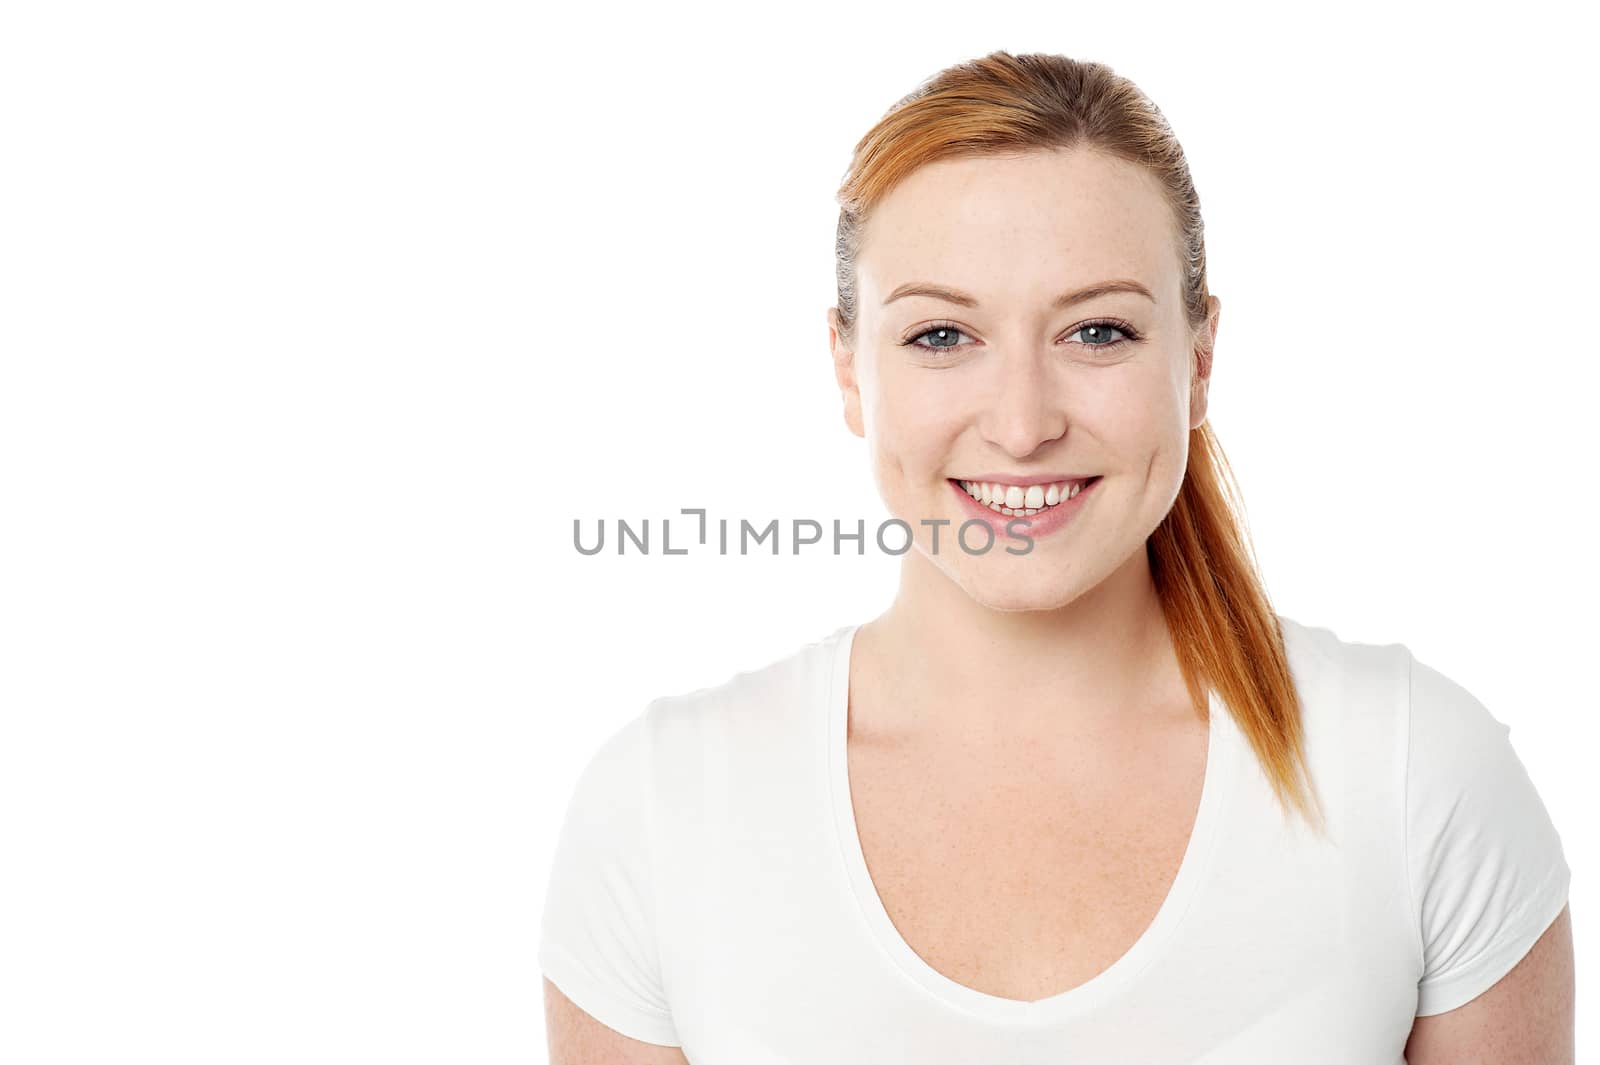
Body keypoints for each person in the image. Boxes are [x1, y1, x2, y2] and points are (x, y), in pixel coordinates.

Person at [539, 50, 1574, 1063]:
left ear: (1200, 360)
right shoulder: (664, 811)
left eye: (1097, 333)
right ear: (848, 372)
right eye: (943, 337)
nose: (1023, 424)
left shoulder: (1411, 775)